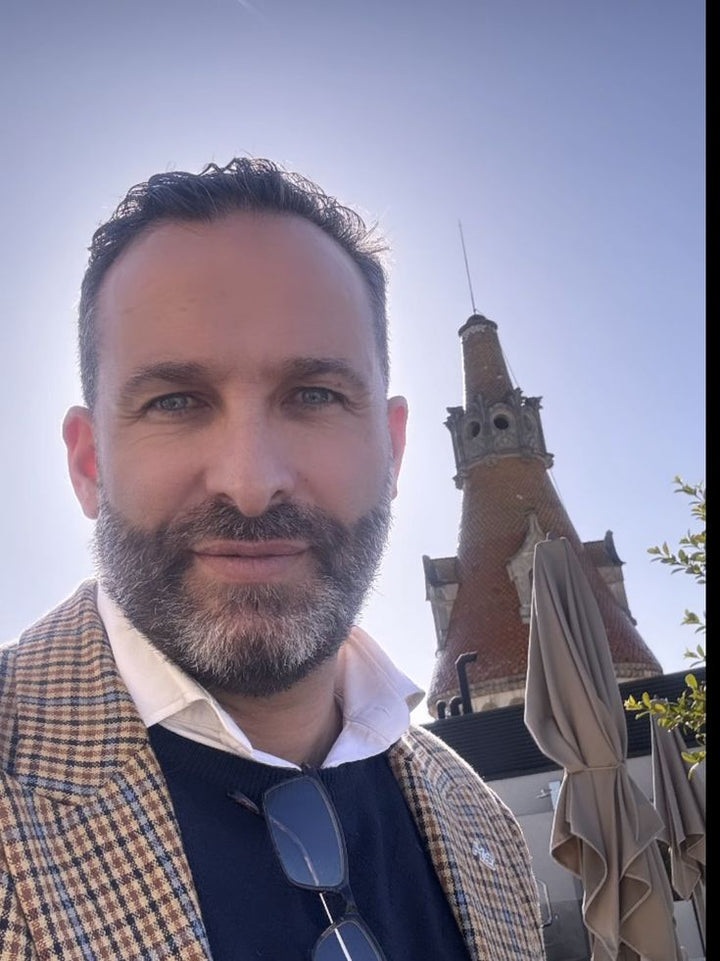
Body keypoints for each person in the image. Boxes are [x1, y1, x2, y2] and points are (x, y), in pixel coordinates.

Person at [0, 158, 546, 961]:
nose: (251, 484)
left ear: (392, 449)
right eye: (175, 401)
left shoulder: (482, 822)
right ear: (88, 463)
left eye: (315, 395)